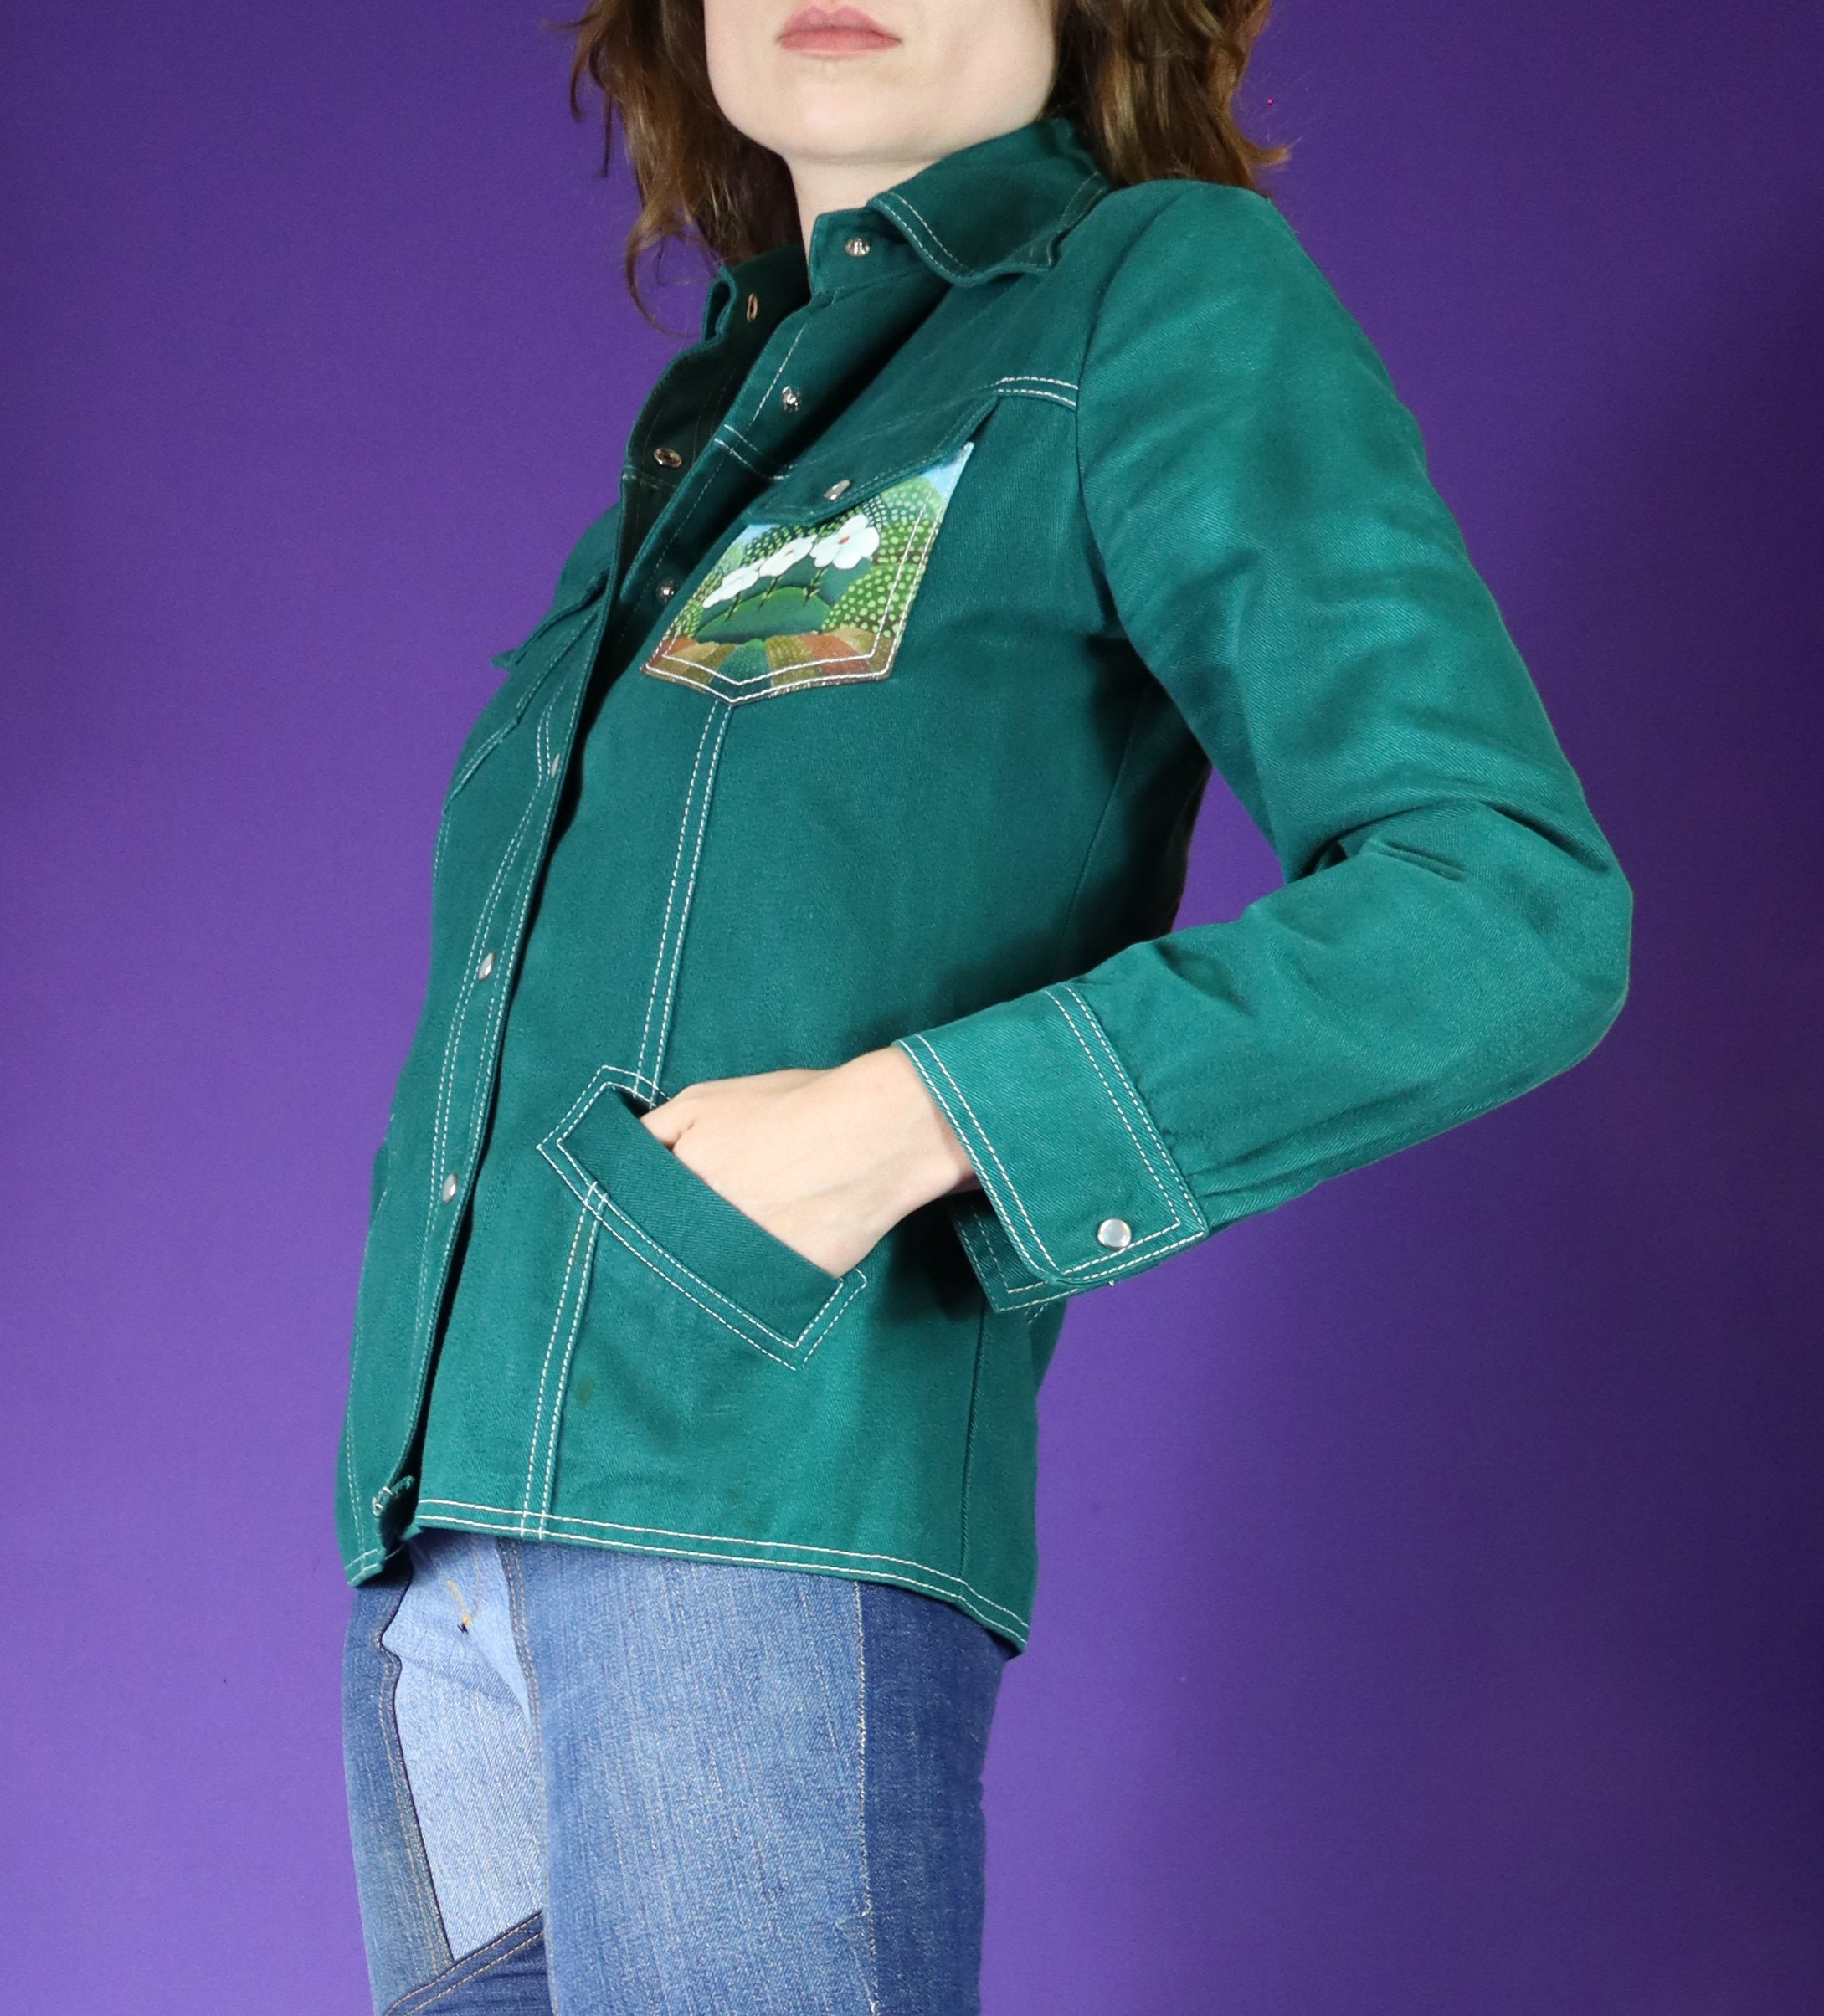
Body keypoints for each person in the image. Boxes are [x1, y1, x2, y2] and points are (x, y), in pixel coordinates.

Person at [336, 1, 1632, 2009]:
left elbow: (1501, 903)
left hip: (752, 1513)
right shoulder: (720, 441)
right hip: (442, 1577)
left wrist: (902, 1121)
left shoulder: (1152, 297)